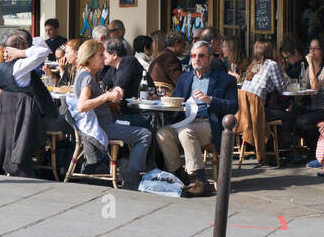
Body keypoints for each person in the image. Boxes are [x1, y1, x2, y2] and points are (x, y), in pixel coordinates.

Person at [156, 41, 239, 195]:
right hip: (186, 121)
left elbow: (233, 106)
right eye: (193, 56)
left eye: (201, 56)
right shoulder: (185, 78)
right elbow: (176, 100)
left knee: (185, 132)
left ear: (210, 59)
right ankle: (179, 175)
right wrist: (164, 101)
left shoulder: (225, 79)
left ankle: (201, 181)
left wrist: (210, 100)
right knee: (162, 133)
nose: (196, 59)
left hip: (209, 122)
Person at [71, 39, 151, 190]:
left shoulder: (83, 74)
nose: (103, 58)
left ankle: (126, 165)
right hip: (102, 126)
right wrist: (107, 97)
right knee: (145, 134)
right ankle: (132, 180)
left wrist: (109, 96)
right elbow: (82, 106)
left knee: (139, 124)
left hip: (100, 123)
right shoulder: (87, 78)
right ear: (90, 57)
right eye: (100, 55)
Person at [240, 40, 296, 153]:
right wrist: (284, 73)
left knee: (278, 110)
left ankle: (269, 148)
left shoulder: (255, 65)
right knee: (289, 116)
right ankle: (284, 151)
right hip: (257, 111)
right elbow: (282, 88)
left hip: (245, 112)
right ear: (271, 51)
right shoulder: (271, 64)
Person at [294, 37, 324, 166]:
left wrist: (310, 65)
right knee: (292, 119)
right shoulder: (309, 69)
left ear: (322, 51)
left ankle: (318, 154)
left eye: (316, 48)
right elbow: (304, 87)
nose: (312, 51)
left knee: (302, 122)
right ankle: (313, 152)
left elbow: (315, 87)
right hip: (313, 108)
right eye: (310, 48)